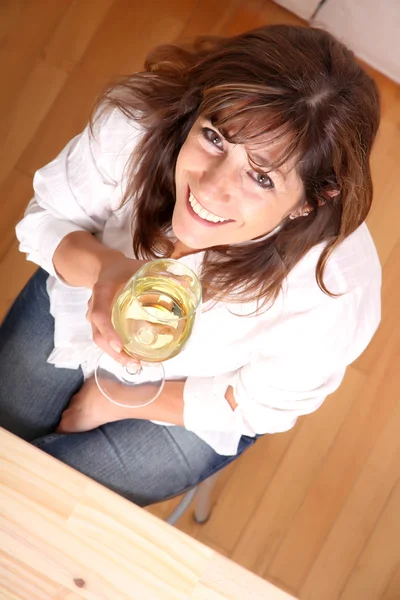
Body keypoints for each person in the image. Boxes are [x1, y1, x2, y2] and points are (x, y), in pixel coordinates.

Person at [0, 25, 381, 507]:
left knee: (42, 503)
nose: (210, 189)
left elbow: (264, 401)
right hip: (77, 299)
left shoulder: (333, 291)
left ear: (313, 199)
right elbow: (49, 219)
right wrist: (103, 267)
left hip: (197, 397)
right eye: (215, 138)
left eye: (261, 177)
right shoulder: (133, 125)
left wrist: (120, 399)